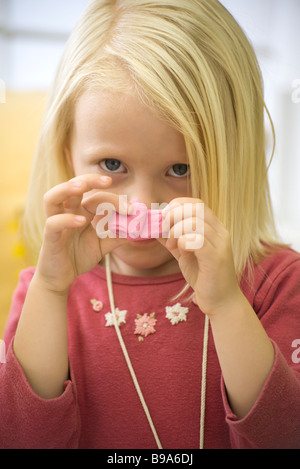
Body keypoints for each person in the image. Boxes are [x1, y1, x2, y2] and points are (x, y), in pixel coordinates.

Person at [0, 0, 299, 449]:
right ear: (66, 152)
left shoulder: (276, 282)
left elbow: (283, 436)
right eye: (112, 163)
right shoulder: (46, 290)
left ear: (233, 160)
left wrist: (226, 305)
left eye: (179, 170)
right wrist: (51, 289)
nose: (140, 204)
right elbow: (23, 438)